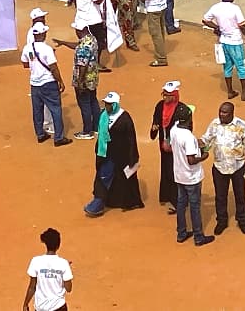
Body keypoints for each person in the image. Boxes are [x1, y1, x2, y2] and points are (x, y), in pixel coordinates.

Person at [83, 91, 144, 216]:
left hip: (120, 155)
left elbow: (131, 138)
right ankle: (105, 201)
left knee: (106, 177)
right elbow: (101, 135)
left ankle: (98, 204)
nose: (107, 106)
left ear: (115, 104)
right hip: (105, 153)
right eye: (106, 103)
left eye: (110, 104)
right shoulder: (103, 115)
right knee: (104, 175)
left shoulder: (124, 118)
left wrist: (132, 156)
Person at [200, 102, 245, 234]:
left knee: (240, 195)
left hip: (238, 167)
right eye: (220, 111)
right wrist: (190, 140)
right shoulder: (214, 125)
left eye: (225, 112)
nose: (221, 115)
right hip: (220, 167)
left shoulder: (241, 125)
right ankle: (222, 221)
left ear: (232, 113)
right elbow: (205, 140)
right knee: (220, 196)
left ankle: (242, 220)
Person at [169, 105, 215, 246]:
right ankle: (198, 237)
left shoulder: (174, 129)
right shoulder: (188, 137)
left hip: (179, 175)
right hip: (191, 177)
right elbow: (191, 160)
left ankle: (181, 233)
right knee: (195, 206)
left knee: (181, 204)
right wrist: (204, 155)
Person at [21, 23, 71, 147]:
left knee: (37, 110)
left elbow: (25, 63)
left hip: (34, 84)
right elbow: (53, 68)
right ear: (43, 34)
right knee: (56, 109)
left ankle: (40, 134)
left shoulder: (27, 48)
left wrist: (35, 66)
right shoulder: (47, 49)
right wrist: (60, 81)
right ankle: (58, 138)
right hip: (48, 83)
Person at [203, 0, 245, 101]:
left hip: (223, 41)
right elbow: (242, 25)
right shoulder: (235, 8)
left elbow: (205, 20)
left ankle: (230, 91)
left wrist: (216, 27)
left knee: (227, 66)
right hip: (235, 42)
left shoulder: (216, 7)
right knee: (241, 66)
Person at [150, 80, 190, 213]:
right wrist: (154, 128)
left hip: (176, 146)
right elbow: (156, 120)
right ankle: (167, 194)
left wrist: (172, 143)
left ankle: (178, 201)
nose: (165, 98)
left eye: (168, 95)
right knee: (166, 168)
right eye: (164, 95)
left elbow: (187, 129)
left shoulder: (182, 110)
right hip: (163, 144)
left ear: (174, 96)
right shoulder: (160, 106)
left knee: (175, 171)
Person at [54, 25, 99, 140]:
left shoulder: (84, 46)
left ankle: (87, 131)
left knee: (84, 105)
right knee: (93, 101)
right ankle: (96, 127)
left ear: (80, 30)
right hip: (92, 78)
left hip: (84, 81)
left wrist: (80, 82)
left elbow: (82, 65)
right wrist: (63, 43)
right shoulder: (91, 39)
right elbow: (78, 46)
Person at [22, 228, 73, 311]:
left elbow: (32, 287)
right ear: (58, 245)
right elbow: (69, 289)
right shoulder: (63, 263)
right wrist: (65, 270)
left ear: (45, 244)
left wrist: (25, 304)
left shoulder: (36, 261)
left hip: (41, 308)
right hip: (59, 308)